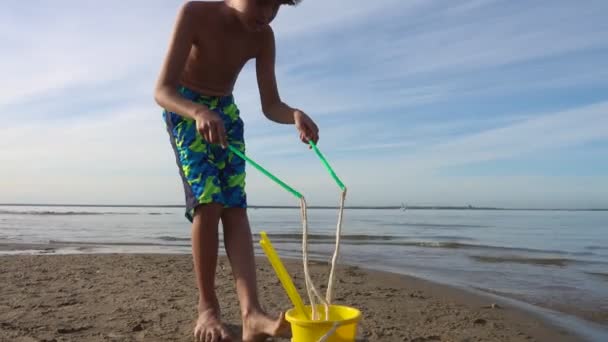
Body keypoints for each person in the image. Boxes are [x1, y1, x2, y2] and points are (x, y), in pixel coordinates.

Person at [153, 1, 319, 341]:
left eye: (276, 6)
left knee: (235, 208)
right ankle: (208, 309)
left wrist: (294, 115)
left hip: (226, 113)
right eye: (260, 1)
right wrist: (198, 111)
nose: (267, 13)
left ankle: (251, 313)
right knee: (209, 201)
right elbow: (162, 91)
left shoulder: (263, 37)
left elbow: (271, 104)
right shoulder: (195, 14)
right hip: (187, 109)